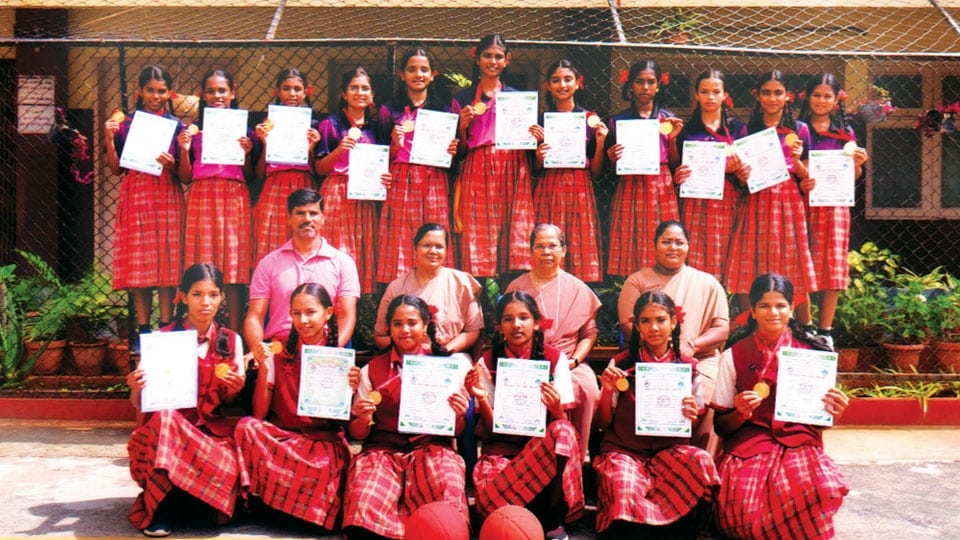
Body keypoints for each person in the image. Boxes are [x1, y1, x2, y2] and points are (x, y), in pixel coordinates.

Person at [711, 273, 849, 539]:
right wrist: (740, 413)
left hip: (798, 441)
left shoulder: (814, 354)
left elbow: (819, 421)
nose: (773, 313)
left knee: (821, 488)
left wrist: (835, 412)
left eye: (780, 305)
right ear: (752, 311)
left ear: (791, 308)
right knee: (743, 510)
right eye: (764, 306)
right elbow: (721, 426)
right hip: (750, 445)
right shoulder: (734, 354)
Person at [126, 263, 246, 537]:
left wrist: (235, 388)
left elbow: (226, 403)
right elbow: (140, 402)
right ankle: (162, 510)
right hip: (166, 435)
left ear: (222, 297)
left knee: (224, 482)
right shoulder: (162, 340)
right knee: (167, 418)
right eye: (197, 294)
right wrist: (136, 385)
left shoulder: (231, 341)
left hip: (209, 433)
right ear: (181, 296)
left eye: (213, 294)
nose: (206, 302)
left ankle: (187, 501)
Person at [343, 295, 471, 539]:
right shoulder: (371, 370)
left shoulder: (445, 368)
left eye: (412, 323)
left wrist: (458, 413)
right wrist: (361, 418)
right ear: (389, 328)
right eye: (397, 323)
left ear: (425, 326)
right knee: (364, 501)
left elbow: (457, 431)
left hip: (431, 448)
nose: (405, 330)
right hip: (383, 452)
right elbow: (359, 434)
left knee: (446, 501)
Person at [594, 291, 719, 539]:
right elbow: (603, 422)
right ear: (637, 325)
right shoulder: (620, 364)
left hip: (669, 450)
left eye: (661, 320)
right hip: (625, 451)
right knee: (622, 482)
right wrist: (608, 391)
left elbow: (691, 425)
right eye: (646, 321)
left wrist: (691, 414)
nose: (654, 328)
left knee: (700, 461)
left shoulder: (688, 367)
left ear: (673, 322)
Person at [234, 283, 357, 531]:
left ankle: (278, 506)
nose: (303, 320)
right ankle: (294, 508)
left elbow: (344, 426)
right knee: (247, 427)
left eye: (311, 312)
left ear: (328, 314)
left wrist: (351, 390)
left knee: (327, 466)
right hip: (284, 439)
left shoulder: (338, 358)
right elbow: (259, 414)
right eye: (296, 313)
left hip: (322, 442)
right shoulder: (278, 349)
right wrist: (265, 369)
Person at [470, 291, 584, 540]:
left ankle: (552, 518)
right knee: (489, 503)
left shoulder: (555, 359)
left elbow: (563, 421)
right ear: (499, 326)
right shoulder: (487, 362)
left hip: (539, 450)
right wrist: (480, 397)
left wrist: (555, 407)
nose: (517, 325)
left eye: (524, 317)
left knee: (564, 431)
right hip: (501, 451)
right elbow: (490, 429)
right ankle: (527, 517)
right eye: (508, 319)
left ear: (536, 323)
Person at [725, 70, 818, 325]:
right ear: (758, 96)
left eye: (778, 93)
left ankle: (805, 327)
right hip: (755, 199)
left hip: (787, 199)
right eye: (766, 92)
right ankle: (747, 324)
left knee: (792, 262)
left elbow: (807, 174)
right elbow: (740, 175)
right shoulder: (746, 129)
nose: (772, 98)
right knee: (749, 260)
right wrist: (742, 175)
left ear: (787, 96)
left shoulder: (800, 129)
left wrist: (798, 161)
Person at [505, 224, 601, 464]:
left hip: (568, 361)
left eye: (552, 246)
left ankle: (574, 461)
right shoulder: (517, 287)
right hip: (525, 361)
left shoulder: (579, 289)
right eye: (539, 246)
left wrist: (574, 361)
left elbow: (589, 334)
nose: (546, 252)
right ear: (530, 251)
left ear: (563, 250)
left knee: (587, 388)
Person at [104, 65, 185, 334]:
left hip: (166, 193)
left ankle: (165, 325)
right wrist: (108, 136)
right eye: (149, 90)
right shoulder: (126, 123)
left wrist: (172, 163)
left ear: (169, 93)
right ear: (139, 91)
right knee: (140, 266)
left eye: (161, 91)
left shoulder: (177, 126)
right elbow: (116, 169)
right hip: (137, 191)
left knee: (166, 263)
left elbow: (184, 174)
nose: (155, 96)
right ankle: (142, 329)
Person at [616, 221, 729, 408]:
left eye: (679, 242)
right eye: (666, 242)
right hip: (647, 357)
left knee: (706, 396)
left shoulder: (707, 282)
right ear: (654, 245)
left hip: (700, 359)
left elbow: (721, 329)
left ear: (688, 247)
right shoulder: (637, 281)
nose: (673, 248)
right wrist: (660, 350)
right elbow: (628, 326)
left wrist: (692, 346)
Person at [178, 69, 257, 331]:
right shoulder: (193, 129)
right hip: (202, 197)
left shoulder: (244, 130)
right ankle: (200, 331)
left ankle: (233, 335)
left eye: (222, 91)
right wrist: (185, 150)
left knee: (234, 271)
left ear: (232, 93)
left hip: (234, 197)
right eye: (210, 91)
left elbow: (249, 175)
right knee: (202, 266)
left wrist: (247, 153)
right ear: (202, 95)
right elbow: (186, 177)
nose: (216, 96)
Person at [450, 34, 535, 277]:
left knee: (513, 229)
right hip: (476, 166)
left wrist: (533, 135)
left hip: (513, 166)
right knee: (477, 231)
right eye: (487, 55)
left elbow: (527, 146)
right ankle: (479, 296)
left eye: (498, 56)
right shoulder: (462, 98)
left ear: (507, 60)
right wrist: (462, 128)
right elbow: (460, 151)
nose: (493, 61)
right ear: (477, 58)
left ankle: (511, 292)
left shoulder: (518, 98)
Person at [244, 188, 360, 364]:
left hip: (326, 347)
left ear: (323, 219)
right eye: (300, 213)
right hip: (278, 348)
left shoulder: (343, 263)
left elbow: (347, 315)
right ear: (289, 219)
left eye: (313, 213)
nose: (307, 219)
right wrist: (257, 349)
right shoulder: (269, 263)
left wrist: (331, 352)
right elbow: (255, 315)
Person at [798, 73, 869, 349]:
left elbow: (853, 175)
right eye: (817, 94)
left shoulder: (846, 133)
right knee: (801, 261)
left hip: (835, 204)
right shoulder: (799, 128)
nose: (822, 100)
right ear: (808, 96)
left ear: (836, 99)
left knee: (832, 264)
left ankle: (825, 329)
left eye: (827, 96)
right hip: (804, 202)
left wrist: (859, 163)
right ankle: (804, 325)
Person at [377, 48, 457, 285]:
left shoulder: (445, 107)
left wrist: (453, 151)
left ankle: (437, 294)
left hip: (434, 178)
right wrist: (394, 144)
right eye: (411, 69)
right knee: (401, 238)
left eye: (424, 70)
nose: (418, 74)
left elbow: (456, 157)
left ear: (433, 74)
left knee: (435, 234)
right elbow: (380, 155)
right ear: (402, 74)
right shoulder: (388, 109)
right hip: (402, 178)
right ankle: (399, 297)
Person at [316, 67, 392, 293]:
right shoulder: (330, 124)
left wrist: (384, 177)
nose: (360, 93)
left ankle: (357, 318)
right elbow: (320, 168)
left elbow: (384, 162)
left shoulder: (377, 127)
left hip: (365, 197)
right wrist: (339, 150)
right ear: (343, 94)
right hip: (337, 194)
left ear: (372, 95)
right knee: (337, 252)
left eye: (365, 88)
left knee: (361, 255)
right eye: (354, 88)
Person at [531, 59, 607, 282]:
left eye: (567, 79)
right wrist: (538, 157)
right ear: (548, 86)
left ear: (578, 83)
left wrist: (601, 143)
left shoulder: (590, 119)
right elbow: (535, 169)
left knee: (579, 239)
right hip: (549, 185)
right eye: (556, 80)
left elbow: (595, 172)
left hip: (580, 186)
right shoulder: (541, 120)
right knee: (549, 237)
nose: (562, 85)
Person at [604, 60, 683, 275]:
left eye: (651, 82)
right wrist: (612, 158)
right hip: (629, 185)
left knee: (661, 236)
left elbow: (676, 165)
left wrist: (673, 140)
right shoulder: (617, 121)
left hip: (661, 184)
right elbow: (610, 168)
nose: (645, 88)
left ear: (659, 85)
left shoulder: (668, 119)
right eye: (639, 82)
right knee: (630, 237)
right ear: (631, 85)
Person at [673, 70, 748, 282]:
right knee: (694, 255)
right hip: (695, 201)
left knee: (725, 255)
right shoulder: (687, 130)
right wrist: (678, 176)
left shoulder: (736, 129)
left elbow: (745, 177)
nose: (711, 97)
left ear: (725, 95)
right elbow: (676, 169)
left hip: (727, 200)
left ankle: (723, 305)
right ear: (696, 95)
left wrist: (738, 171)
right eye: (704, 91)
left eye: (716, 91)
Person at [373, 223, 483, 355]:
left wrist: (443, 350)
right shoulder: (396, 287)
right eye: (426, 246)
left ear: (447, 250)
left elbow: (473, 331)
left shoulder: (462, 283)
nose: (433, 251)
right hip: (406, 357)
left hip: (450, 357)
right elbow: (380, 337)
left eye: (439, 247)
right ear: (415, 248)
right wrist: (413, 347)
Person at [252, 68, 321, 267]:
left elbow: (318, 170)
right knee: (271, 242)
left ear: (306, 91)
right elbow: (258, 173)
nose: (292, 94)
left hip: (304, 185)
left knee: (303, 238)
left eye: (297, 89)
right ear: (277, 92)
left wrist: (312, 147)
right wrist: (265, 143)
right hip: (274, 186)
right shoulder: (267, 124)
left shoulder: (314, 124)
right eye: (287, 88)